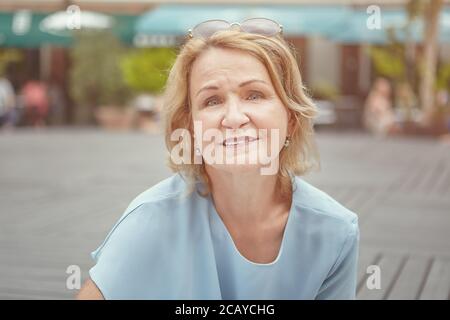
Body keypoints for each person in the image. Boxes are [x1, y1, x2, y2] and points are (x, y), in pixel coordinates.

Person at [77, 18, 359, 300]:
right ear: (190, 127)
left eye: (255, 95)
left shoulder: (335, 232)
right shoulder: (151, 219)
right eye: (212, 101)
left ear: (292, 118)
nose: (234, 118)